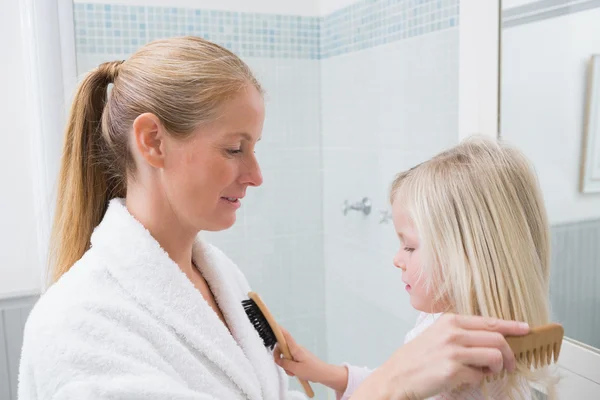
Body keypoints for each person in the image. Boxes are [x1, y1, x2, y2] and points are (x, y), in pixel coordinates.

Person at [18, 37, 530, 400]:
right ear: (153, 141)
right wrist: (389, 385)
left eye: (254, 149)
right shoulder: (79, 324)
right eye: (234, 148)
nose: (256, 174)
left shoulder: (220, 280)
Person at [275, 137, 556, 399]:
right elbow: (393, 384)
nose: (397, 259)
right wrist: (326, 373)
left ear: (467, 258)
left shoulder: (468, 364)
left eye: (409, 246)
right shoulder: (439, 321)